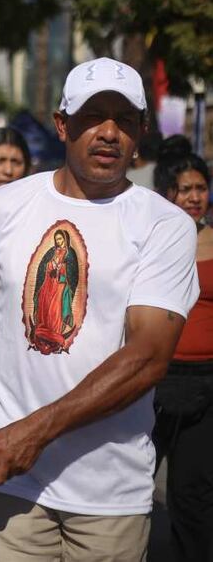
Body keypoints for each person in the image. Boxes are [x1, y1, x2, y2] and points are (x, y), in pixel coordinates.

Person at [0, 57, 199, 561]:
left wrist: (35, 431)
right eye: (93, 117)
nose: (108, 133)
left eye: (124, 121)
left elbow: (147, 357)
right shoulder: (4, 206)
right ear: (62, 124)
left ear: (141, 132)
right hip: (9, 479)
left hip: (108, 494)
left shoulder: (163, 225)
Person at [151, 149, 213, 561]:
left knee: (194, 495)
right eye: (184, 189)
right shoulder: (149, 240)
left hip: (207, 384)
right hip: (152, 379)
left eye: (201, 188)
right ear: (165, 193)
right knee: (131, 486)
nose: (194, 197)